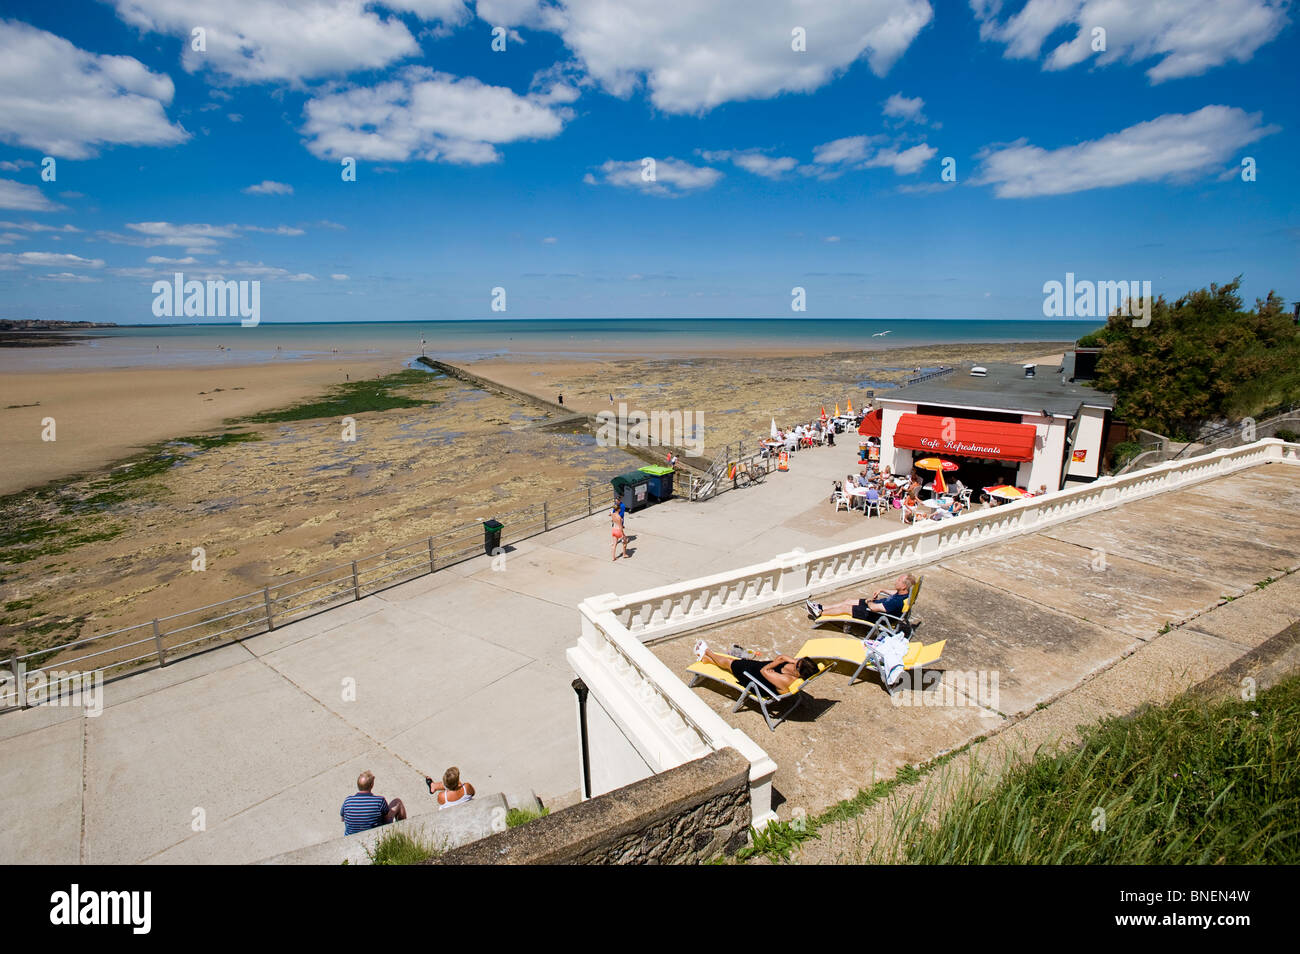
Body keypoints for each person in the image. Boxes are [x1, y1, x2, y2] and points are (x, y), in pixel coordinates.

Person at [694, 640, 818, 695]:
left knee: (730, 662)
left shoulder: (786, 680)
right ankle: (707, 660)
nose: (794, 661)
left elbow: (764, 671)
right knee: (737, 661)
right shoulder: (797, 671)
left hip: (755, 679)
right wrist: (788, 660)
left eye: (797, 663)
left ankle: (708, 652)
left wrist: (780, 660)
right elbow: (786, 659)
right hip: (760, 670)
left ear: (798, 672)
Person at [806, 574, 915, 624]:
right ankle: (821, 607)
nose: (896, 581)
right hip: (876, 605)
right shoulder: (905, 594)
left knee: (846, 607)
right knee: (848, 600)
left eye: (899, 581)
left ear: (904, 586)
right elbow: (894, 592)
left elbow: (874, 609)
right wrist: (882, 590)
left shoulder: (896, 602)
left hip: (875, 615)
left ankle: (820, 613)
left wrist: (869, 601)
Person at [341, 770, 406, 835]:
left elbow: (343, 819)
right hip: (375, 836)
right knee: (397, 802)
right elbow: (386, 820)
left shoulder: (347, 801)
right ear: (372, 785)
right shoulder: (379, 801)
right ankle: (403, 831)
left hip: (351, 837)